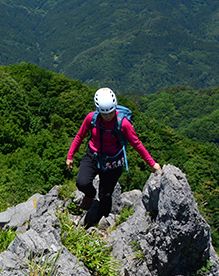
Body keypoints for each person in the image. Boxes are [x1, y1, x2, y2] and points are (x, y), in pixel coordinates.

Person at [66, 87, 162, 226]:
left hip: (113, 161)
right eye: (105, 114)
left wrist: (152, 164)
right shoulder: (91, 118)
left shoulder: (122, 123)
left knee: (105, 195)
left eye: (111, 112)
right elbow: (80, 136)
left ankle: (104, 220)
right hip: (93, 155)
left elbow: (137, 144)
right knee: (82, 182)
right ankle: (90, 195)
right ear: (98, 110)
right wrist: (70, 155)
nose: (108, 116)